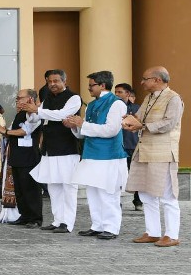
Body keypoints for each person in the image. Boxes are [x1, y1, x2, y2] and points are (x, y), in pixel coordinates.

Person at [123, 66, 184, 247]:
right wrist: (129, 120)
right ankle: (153, 232)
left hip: (163, 153)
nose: (142, 82)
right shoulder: (149, 97)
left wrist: (142, 126)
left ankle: (172, 235)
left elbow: (169, 124)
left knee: (167, 195)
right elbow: (139, 118)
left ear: (157, 80)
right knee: (145, 194)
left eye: (145, 79)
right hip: (144, 151)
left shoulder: (173, 98)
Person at [64, 71, 128, 240]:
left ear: (102, 85)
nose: (89, 88)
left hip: (109, 155)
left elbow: (111, 130)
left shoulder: (116, 103)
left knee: (108, 193)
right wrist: (74, 126)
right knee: (92, 192)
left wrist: (82, 124)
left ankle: (111, 228)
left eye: (91, 85)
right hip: (91, 154)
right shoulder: (91, 105)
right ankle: (97, 225)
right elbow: (83, 133)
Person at [23, 69, 81, 233]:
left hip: (67, 148)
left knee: (68, 187)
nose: (52, 84)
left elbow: (62, 115)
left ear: (64, 81)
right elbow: (35, 119)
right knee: (53, 186)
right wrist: (30, 110)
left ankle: (67, 223)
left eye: (56, 81)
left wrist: (38, 110)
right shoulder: (47, 98)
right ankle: (57, 220)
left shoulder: (74, 97)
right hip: (49, 148)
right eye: (49, 82)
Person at [0, 89, 43, 229]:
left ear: (30, 99)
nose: (17, 101)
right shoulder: (19, 114)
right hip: (16, 156)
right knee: (20, 189)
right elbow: (10, 131)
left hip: (29, 157)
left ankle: (35, 218)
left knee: (30, 188)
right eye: (16, 98)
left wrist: (5, 131)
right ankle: (24, 215)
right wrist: (3, 131)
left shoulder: (36, 114)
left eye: (20, 98)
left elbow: (25, 131)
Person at [115, 82, 142, 210]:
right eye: (115, 92)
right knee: (116, 176)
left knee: (136, 175)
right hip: (117, 146)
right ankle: (116, 202)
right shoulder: (112, 107)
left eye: (120, 92)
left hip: (133, 146)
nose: (117, 94)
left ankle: (138, 201)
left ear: (128, 94)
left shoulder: (137, 108)